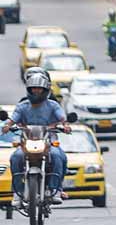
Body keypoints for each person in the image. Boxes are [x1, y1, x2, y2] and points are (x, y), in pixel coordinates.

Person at [5, 69, 69, 203]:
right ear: (29, 89)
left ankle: (55, 189)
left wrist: (65, 125)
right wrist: (7, 125)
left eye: (39, 89)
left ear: (45, 89)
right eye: (33, 89)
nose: (36, 91)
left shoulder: (53, 105)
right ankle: (18, 192)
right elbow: (13, 118)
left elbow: (62, 117)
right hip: (27, 142)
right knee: (16, 157)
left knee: (58, 156)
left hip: (48, 141)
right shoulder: (23, 105)